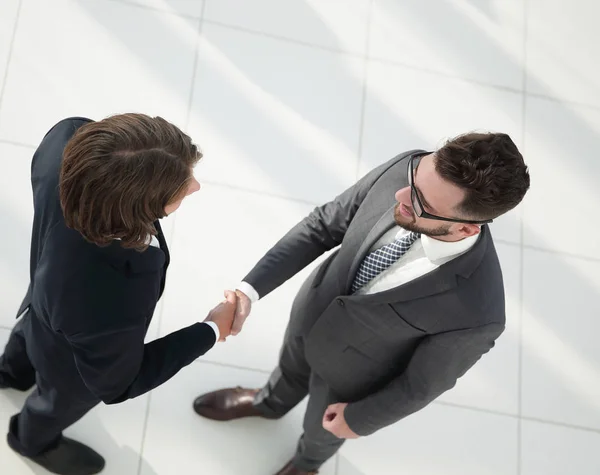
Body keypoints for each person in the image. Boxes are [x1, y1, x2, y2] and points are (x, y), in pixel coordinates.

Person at [193, 132, 531, 475]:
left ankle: (307, 464)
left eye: (421, 203)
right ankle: (269, 403)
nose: (401, 194)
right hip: (311, 312)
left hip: (349, 379)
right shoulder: (408, 168)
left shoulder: (478, 312)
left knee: (320, 432)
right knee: (289, 369)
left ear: (464, 230)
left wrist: (358, 420)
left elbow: (422, 384)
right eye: (414, 178)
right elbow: (323, 224)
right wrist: (249, 290)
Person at [0, 114, 237, 475]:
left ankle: (10, 373)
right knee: (56, 401)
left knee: (32, 335)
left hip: (42, 302)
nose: (195, 187)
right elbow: (119, 382)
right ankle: (28, 439)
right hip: (71, 361)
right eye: (181, 186)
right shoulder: (110, 294)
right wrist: (210, 329)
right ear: (134, 207)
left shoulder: (67, 137)